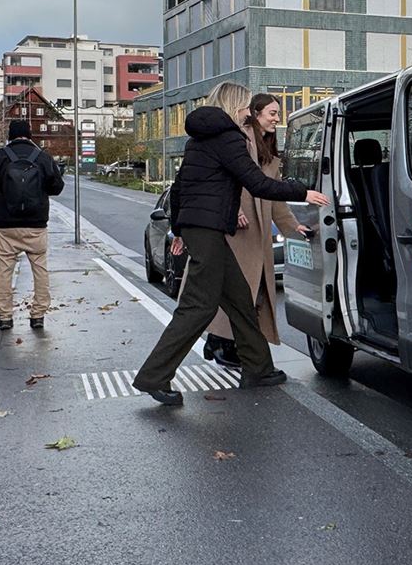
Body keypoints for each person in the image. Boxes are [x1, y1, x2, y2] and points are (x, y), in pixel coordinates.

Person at [132, 82, 329, 406]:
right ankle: (154, 375)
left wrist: (180, 230)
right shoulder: (229, 138)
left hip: (202, 228)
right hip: (209, 231)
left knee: (239, 299)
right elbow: (255, 182)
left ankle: (258, 368)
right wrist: (301, 192)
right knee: (198, 306)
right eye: (246, 106)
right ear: (236, 105)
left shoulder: (200, 140)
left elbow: (180, 187)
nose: (248, 112)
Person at [200, 91, 311, 368]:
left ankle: (228, 342)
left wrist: (292, 227)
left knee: (256, 289)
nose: (277, 119)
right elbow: (226, 178)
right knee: (239, 289)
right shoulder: (240, 139)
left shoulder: (268, 151)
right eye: (272, 113)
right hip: (238, 228)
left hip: (256, 231)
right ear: (255, 113)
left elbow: (274, 197)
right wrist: (233, 209)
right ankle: (223, 342)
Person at [0, 119, 64, 332]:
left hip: (5, 224)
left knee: (4, 270)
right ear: (30, 135)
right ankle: (38, 314)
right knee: (40, 268)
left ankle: (5, 317)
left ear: (10, 135)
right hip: (36, 224)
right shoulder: (43, 158)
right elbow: (57, 187)